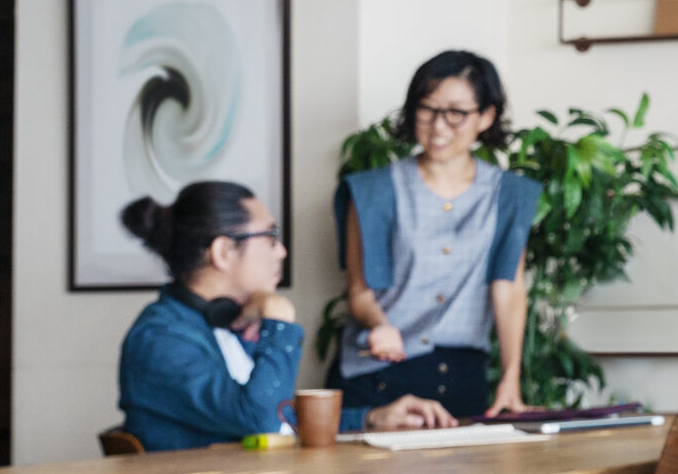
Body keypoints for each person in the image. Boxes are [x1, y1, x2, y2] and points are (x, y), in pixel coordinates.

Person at [117, 182, 453, 451]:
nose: (282, 251)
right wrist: (279, 318)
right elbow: (259, 419)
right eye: (270, 237)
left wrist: (372, 419)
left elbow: (278, 418)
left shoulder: (229, 323)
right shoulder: (160, 339)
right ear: (223, 252)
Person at [334, 51, 540, 422]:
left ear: (486, 117)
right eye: (427, 109)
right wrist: (380, 325)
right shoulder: (374, 191)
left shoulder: (510, 195)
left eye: (457, 113)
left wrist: (511, 377)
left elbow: (508, 289)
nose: (439, 126)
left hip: (463, 374)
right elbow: (359, 290)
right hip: (380, 373)